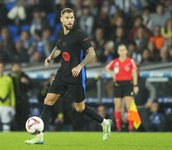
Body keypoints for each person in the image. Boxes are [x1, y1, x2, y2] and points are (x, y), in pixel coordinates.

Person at [25, 8, 112, 144]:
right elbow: (59, 48)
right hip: (62, 73)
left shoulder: (79, 34)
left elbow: (92, 53)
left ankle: (105, 123)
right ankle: (39, 136)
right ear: (61, 19)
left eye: (72, 17)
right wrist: (50, 57)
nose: (70, 20)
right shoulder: (61, 34)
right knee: (48, 101)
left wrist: (79, 66)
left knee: (80, 108)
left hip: (76, 75)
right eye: (67, 18)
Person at [105, 44, 139, 132]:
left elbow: (134, 73)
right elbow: (107, 68)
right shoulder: (115, 61)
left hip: (128, 83)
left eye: (124, 50)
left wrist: (135, 85)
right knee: (118, 106)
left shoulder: (130, 61)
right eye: (120, 50)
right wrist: (113, 75)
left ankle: (131, 128)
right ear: (118, 52)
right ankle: (119, 128)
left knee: (129, 106)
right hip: (118, 84)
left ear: (126, 51)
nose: (122, 52)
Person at [8, 61, 31, 131]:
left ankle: (24, 131)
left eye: (17, 67)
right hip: (13, 102)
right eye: (14, 67)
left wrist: (26, 82)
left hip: (23, 102)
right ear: (12, 68)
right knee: (13, 119)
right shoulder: (9, 77)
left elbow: (31, 86)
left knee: (24, 118)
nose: (16, 68)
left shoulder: (24, 76)